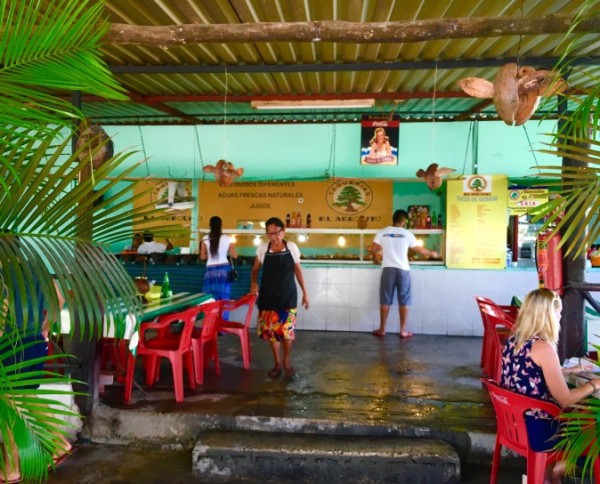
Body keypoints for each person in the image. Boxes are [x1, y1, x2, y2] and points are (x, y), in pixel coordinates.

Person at [501, 288, 600, 483]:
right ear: (548, 315)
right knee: (593, 430)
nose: (560, 317)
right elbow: (565, 400)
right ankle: (558, 468)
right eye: (559, 312)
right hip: (539, 432)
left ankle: (549, 473)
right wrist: (594, 384)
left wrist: (563, 372)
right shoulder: (544, 348)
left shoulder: (513, 341)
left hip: (515, 426)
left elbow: (526, 375)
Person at [250, 217, 309, 379]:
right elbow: (255, 269)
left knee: (286, 331)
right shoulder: (263, 248)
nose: (273, 237)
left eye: (275, 233)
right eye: (269, 234)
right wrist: (254, 283)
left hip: (287, 295)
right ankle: (276, 362)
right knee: (272, 332)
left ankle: (286, 360)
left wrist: (305, 292)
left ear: (283, 231)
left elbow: (298, 270)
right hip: (268, 296)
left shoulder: (291, 247)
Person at [371, 209, 438, 338]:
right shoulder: (407, 234)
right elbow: (419, 250)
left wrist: (375, 259)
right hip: (403, 270)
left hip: (388, 269)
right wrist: (432, 253)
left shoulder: (383, 232)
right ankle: (403, 330)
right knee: (404, 301)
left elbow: (373, 249)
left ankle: (382, 329)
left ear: (394, 219)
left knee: (385, 300)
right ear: (403, 220)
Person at [200, 216, 238, 301]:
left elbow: (202, 257)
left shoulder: (205, 238)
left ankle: (211, 313)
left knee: (209, 297)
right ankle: (223, 314)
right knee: (224, 296)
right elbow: (235, 255)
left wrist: (210, 256)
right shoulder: (228, 238)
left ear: (210, 225)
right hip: (224, 269)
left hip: (210, 270)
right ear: (221, 225)